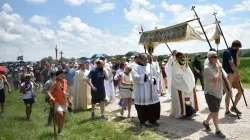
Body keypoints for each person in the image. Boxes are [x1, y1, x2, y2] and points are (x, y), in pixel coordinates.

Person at [132, 53, 160, 128]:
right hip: (141, 90)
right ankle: (142, 122)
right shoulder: (135, 67)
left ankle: (153, 120)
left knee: (154, 105)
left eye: (146, 59)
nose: (145, 61)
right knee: (142, 106)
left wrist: (153, 79)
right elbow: (135, 77)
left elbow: (155, 75)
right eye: (143, 59)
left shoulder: (150, 66)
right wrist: (146, 76)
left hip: (151, 89)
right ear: (139, 59)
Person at [203, 51, 226, 138]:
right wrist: (219, 69)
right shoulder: (207, 68)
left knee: (214, 111)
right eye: (214, 57)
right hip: (211, 93)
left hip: (218, 92)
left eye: (216, 57)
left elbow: (223, 78)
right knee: (215, 112)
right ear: (209, 59)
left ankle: (206, 122)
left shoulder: (217, 66)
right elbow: (215, 78)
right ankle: (217, 130)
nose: (216, 59)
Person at [170, 52, 199, 119]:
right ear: (176, 57)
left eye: (183, 57)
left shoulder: (184, 63)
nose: (182, 58)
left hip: (185, 84)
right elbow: (177, 74)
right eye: (180, 57)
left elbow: (189, 73)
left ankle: (190, 111)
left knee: (187, 99)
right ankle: (186, 112)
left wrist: (186, 68)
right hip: (178, 86)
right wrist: (184, 73)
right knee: (181, 100)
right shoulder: (174, 64)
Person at [223, 40, 243, 116]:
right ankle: (227, 111)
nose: (238, 49)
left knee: (241, 90)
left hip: (234, 73)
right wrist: (238, 74)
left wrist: (237, 54)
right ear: (235, 46)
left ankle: (234, 106)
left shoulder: (235, 52)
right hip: (228, 74)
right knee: (229, 92)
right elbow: (231, 64)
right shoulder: (227, 52)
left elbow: (237, 64)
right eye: (238, 47)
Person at [48, 70, 71, 136]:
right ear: (59, 75)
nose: (65, 75)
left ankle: (59, 130)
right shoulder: (55, 83)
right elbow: (49, 92)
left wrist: (69, 99)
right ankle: (58, 127)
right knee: (60, 114)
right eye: (63, 74)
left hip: (64, 101)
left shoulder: (65, 81)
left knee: (62, 117)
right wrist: (51, 97)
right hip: (57, 102)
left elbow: (67, 91)